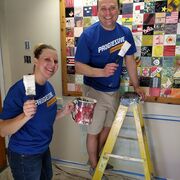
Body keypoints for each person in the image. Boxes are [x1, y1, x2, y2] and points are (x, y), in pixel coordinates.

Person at [75, 0, 145, 178]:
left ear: (119, 9)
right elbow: (78, 66)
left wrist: (136, 85)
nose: (108, 12)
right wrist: (101, 72)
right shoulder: (89, 35)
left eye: (112, 7)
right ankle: (94, 166)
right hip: (94, 91)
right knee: (94, 131)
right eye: (103, 8)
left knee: (107, 129)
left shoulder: (125, 33)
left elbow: (129, 60)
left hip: (113, 90)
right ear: (98, 11)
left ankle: (97, 159)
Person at [0, 44, 74, 180]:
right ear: (35, 61)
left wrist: (63, 112)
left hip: (43, 148)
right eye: (47, 59)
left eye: (55, 61)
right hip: (24, 153)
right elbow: (3, 130)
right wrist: (24, 116)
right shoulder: (19, 90)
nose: (52, 64)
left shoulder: (48, 86)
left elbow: (45, 118)